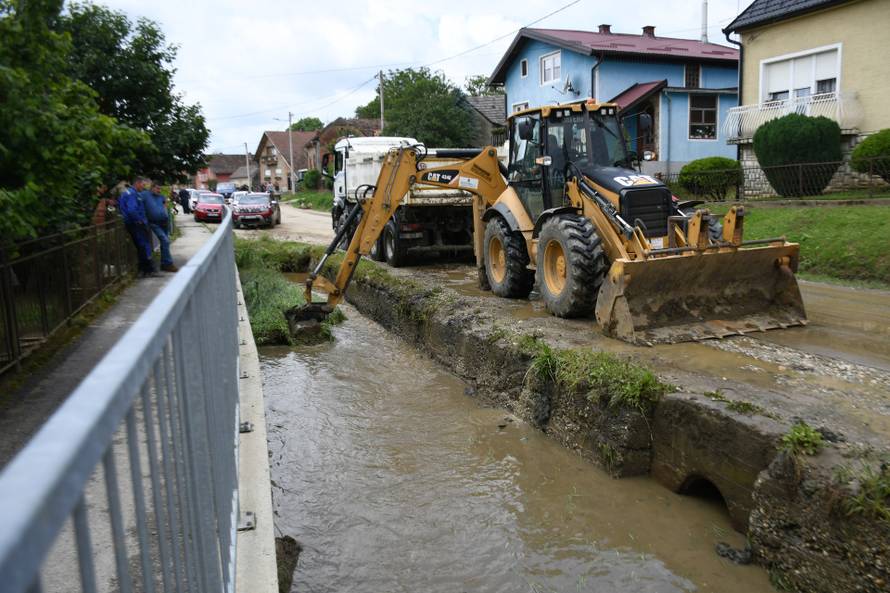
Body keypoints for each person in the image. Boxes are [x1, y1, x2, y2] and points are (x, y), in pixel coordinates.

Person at [118, 177, 155, 277]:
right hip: (136, 224)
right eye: (143, 184)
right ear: (137, 183)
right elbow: (132, 210)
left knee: (141, 246)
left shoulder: (128, 193)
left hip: (132, 223)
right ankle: (147, 270)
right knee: (143, 246)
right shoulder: (132, 194)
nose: (144, 186)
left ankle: (144, 270)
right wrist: (139, 220)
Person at [145, 182, 178, 273]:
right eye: (157, 188)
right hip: (154, 223)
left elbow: (165, 206)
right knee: (165, 240)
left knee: (165, 243)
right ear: (152, 188)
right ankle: (168, 263)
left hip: (164, 222)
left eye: (160, 188)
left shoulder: (161, 197)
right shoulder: (145, 196)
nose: (159, 190)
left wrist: (165, 214)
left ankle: (164, 264)